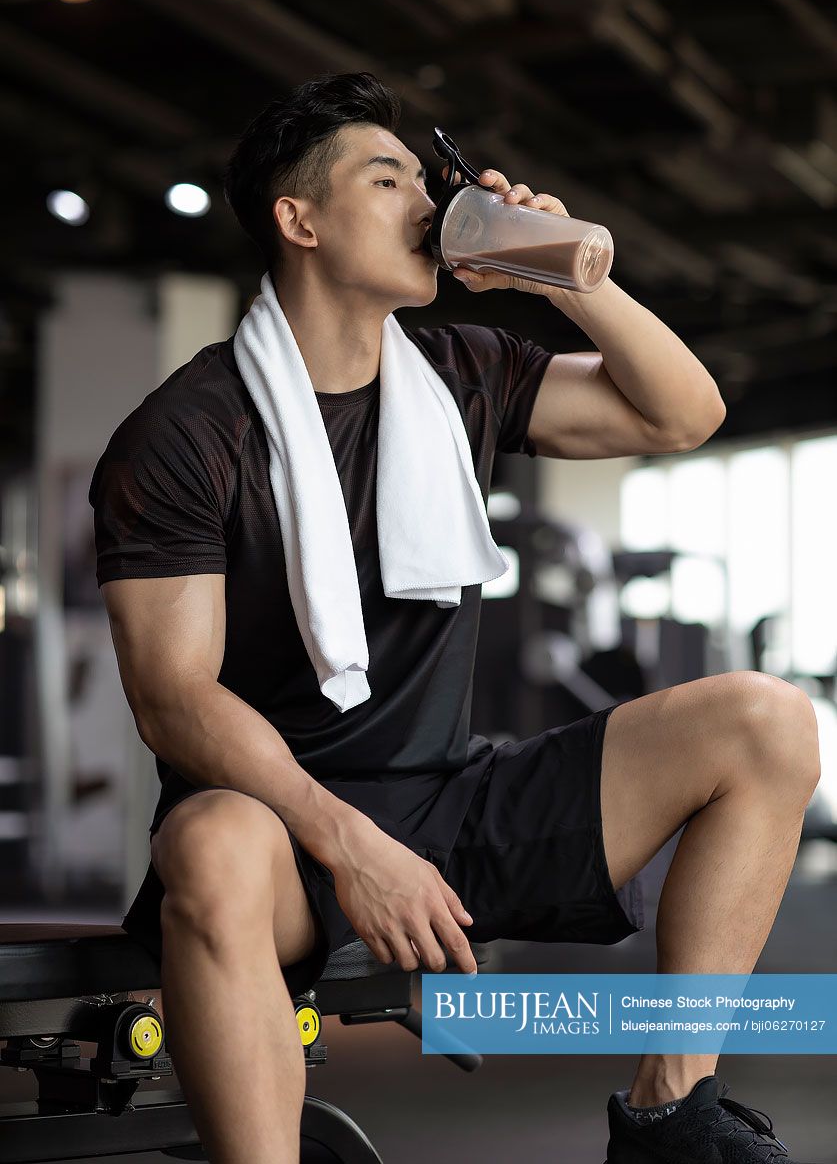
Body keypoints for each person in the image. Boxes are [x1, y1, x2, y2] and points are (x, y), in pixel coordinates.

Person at [89, 71, 821, 1164]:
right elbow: (172, 696)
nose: (427, 203)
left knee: (768, 720)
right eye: (388, 180)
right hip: (288, 834)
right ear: (299, 221)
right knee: (210, 838)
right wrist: (349, 844)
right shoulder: (189, 432)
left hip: (455, 800)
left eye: (427, 181)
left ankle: (672, 1115)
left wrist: (565, 267)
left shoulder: (460, 375)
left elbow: (686, 413)